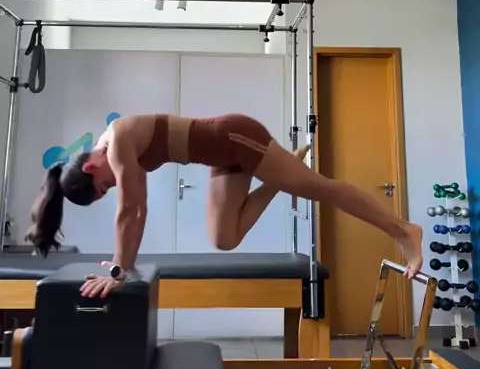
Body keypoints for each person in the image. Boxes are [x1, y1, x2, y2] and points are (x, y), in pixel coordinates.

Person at [26, 112, 423, 298]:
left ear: (91, 166)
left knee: (319, 189)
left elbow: (130, 210)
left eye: (102, 187)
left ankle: (404, 230)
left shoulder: (118, 140)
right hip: (221, 159)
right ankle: (281, 174)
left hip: (235, 137)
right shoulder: (113, 153)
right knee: (224, 237)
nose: (110, 187)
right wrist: (122, 266)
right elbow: (134, 209)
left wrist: (117, 271)